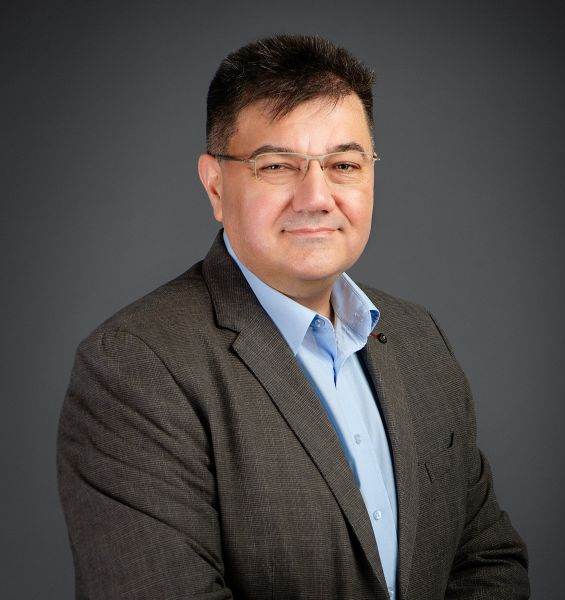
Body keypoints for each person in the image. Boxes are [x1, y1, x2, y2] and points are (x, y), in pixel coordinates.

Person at [57, 34, 530, 600]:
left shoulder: (417, 337)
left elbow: (487, 560)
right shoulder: (137, 367)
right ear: (215, 185)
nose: (317, 197)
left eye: (344, 164)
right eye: (278, 165)